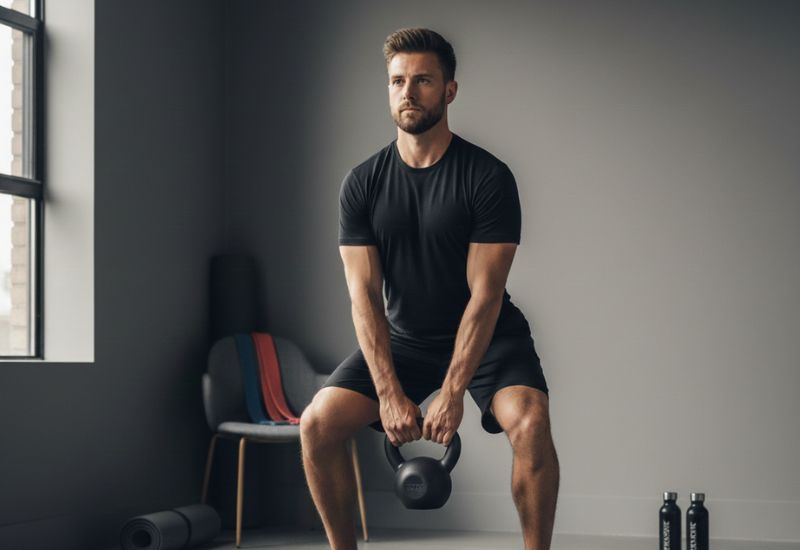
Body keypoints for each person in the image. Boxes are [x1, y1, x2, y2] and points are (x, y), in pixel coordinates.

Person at [300, 27, 559, 550]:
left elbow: (484, 296)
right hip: (406, 340)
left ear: (449, 90)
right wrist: (391, 392)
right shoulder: (362, 184)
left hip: (488, 337)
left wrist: (455, 390)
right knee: (317, 425)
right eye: (397, 81)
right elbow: (364, 297)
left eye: (422, 80)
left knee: (530, 423)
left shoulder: (488, 178)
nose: (408, 92)